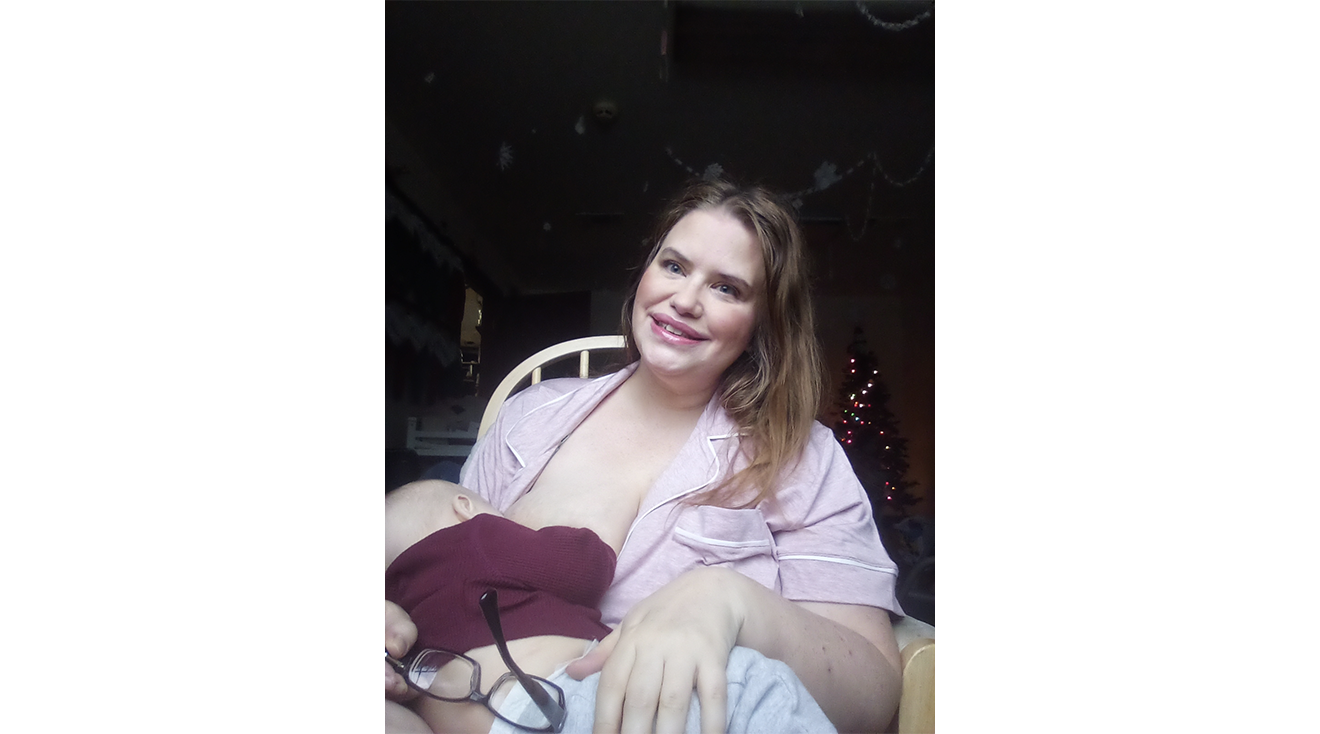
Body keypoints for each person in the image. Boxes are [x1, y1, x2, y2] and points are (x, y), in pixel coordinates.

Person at [386, 178, 906, 734]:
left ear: (763, 323)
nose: (685, 300)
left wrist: (733, 602)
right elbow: (438, 575)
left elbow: (873, 692)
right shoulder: (529, 417)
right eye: (674, 266)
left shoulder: (801, 457)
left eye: (727, 288)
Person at [385, 479, 836, 734]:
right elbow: (578, 569)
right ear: (465, 507)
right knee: (754, 683)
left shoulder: (401, 610)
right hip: (562, 700)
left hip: (469, 722)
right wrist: (590, 541)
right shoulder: (478, 536)